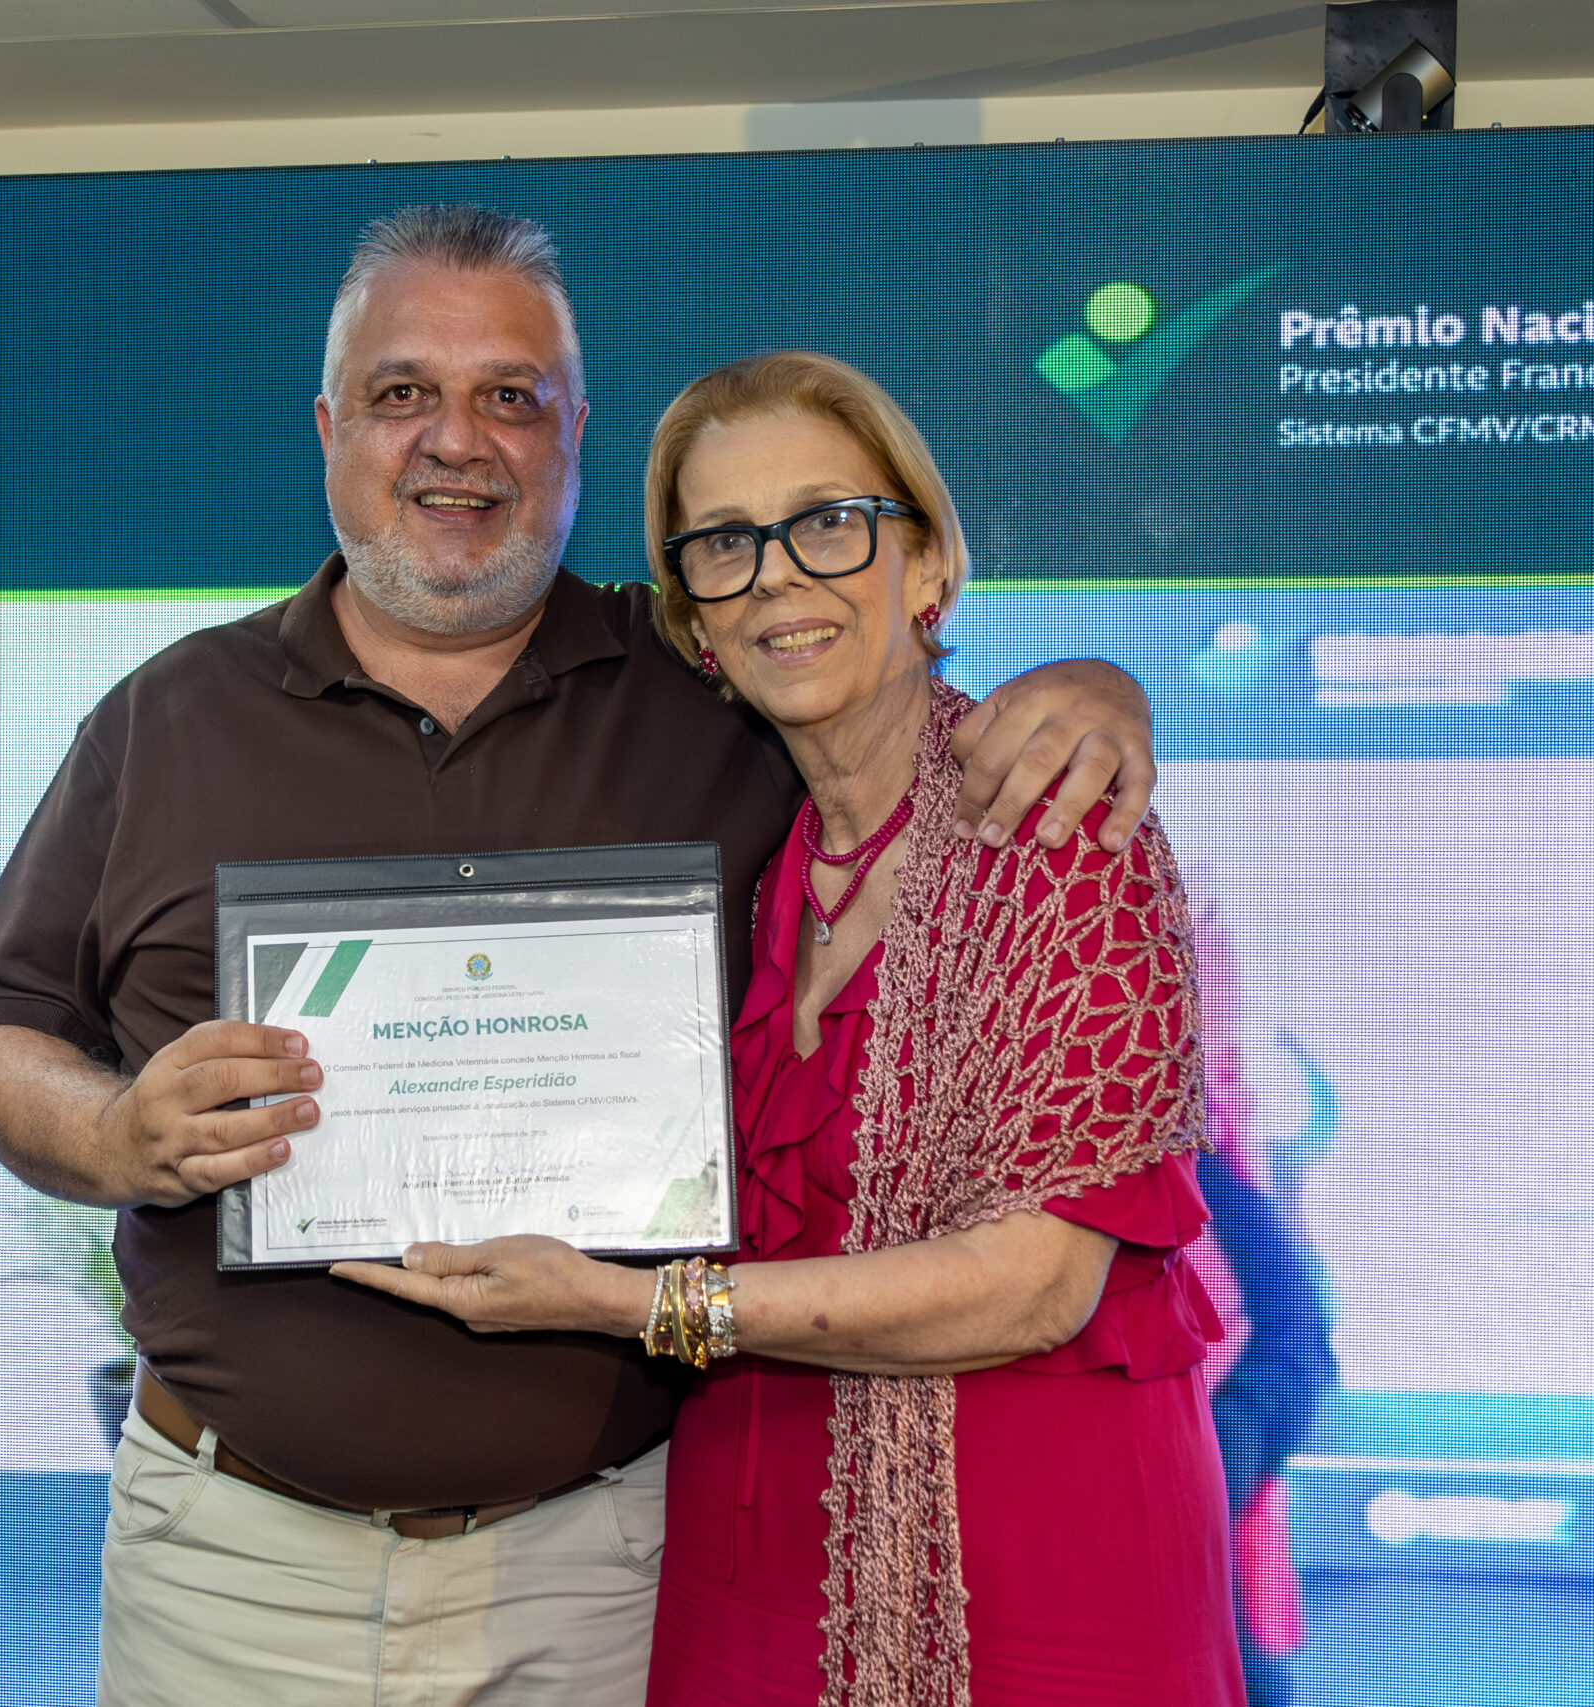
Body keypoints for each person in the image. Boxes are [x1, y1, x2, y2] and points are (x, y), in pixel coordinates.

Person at [0, 208, 1164, 1706]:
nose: (457, 440)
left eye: (510, 395)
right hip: (229, 1563)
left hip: (605, 1573)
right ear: (330, 425)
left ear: (573, 433)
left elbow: (892, 710)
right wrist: (117, 1132)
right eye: (404, 393)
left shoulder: (706, 687)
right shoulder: (166, 719)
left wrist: (1095, 689)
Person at [336, 349, 1243, 1705]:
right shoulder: (745, 862)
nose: (777, 578)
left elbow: (1035, 1284)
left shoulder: (1062, 829)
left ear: (927, 565)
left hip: (1033, 1562)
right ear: (695, 616)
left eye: (828, 524)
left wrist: (628, 1304)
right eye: (724, 545)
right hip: (745, 1543)